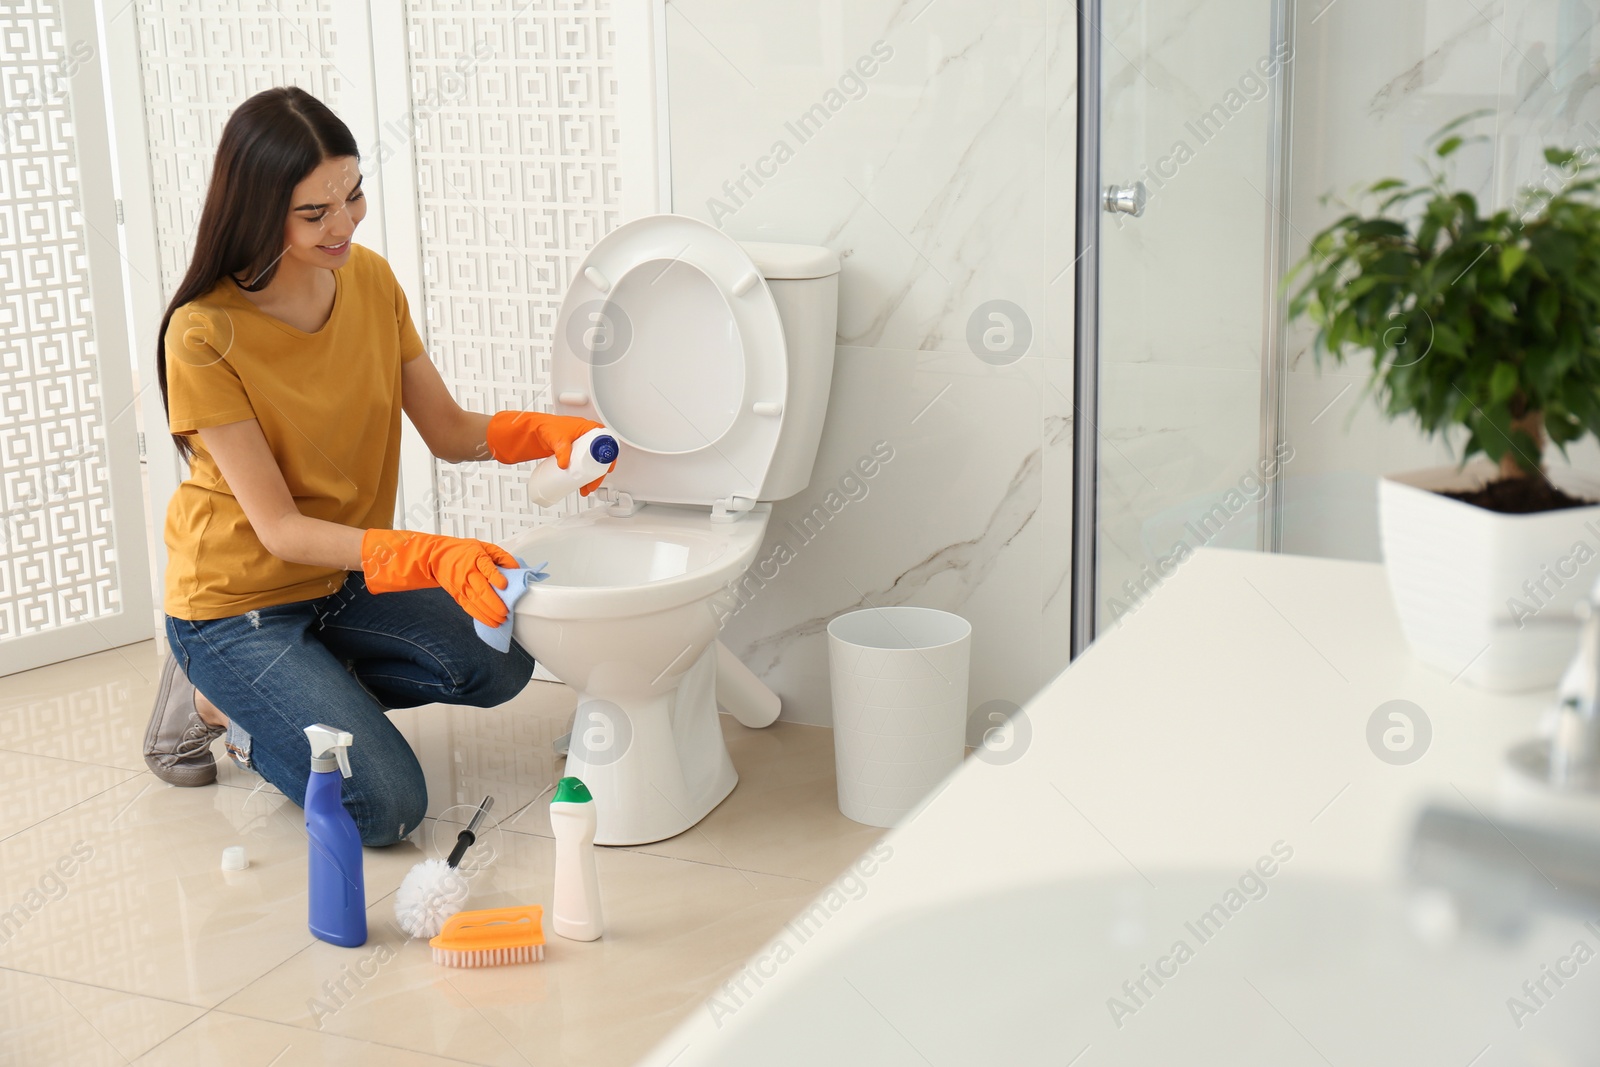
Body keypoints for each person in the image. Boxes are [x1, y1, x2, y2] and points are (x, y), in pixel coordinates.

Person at [141, 86, 610, 846]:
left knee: (502, 662)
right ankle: (215, 699)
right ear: (259, 212)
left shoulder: (370, 281)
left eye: (352, 196)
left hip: (342, 583)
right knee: (385, 807)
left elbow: (452, 431)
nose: (344, 224)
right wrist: (428, 552)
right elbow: (282, 529)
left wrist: (544, 433)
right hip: (237, 605)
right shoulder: (204, 334)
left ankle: (302, 690)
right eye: (314, 213)